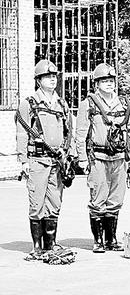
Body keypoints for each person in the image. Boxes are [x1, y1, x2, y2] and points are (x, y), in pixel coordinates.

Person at [75, 63, 130, 253]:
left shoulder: (123, 103)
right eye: (104, 80)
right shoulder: (88, 104)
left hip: (119, 157)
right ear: (96, 84)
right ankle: (98, 241)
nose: (109, 84)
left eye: (111, 80)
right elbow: (81, 133)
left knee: (116, 199)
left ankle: (111, 239)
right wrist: (82, 158)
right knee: (98, 198)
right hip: (98, 158)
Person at [15, 60, 74, 259]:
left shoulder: (61, 104)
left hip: (56, 161)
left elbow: (69, 131)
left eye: (54, 76)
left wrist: (69, 155)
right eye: (47, 76)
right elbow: (22, 133)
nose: (52, 79)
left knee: (54, 202)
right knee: (36, 202)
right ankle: (36, 247)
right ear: (38, 80)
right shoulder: (29, 103)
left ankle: (50, 244)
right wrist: (23, 160)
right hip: (37, 160)